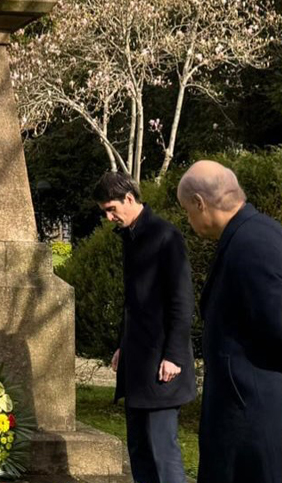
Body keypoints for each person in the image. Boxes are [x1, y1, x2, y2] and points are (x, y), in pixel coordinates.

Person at [177, 160, 282, 483]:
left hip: (253, 417)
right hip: (244, 408)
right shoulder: (250, 234)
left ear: (199, 203)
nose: (189, 220)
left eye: (187, 211)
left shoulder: (252, 244)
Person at [93, 171, 195, 483]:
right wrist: (122, 345)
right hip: (137, 363)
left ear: (129, 198)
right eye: (104, 212)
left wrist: (174, 356)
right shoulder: (131, 236)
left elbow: (182, 301)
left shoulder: (166, 236)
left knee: (162, 453)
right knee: (139, 450)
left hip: (162, 365)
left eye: (112, 209)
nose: (109, 218)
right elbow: (135, 302)